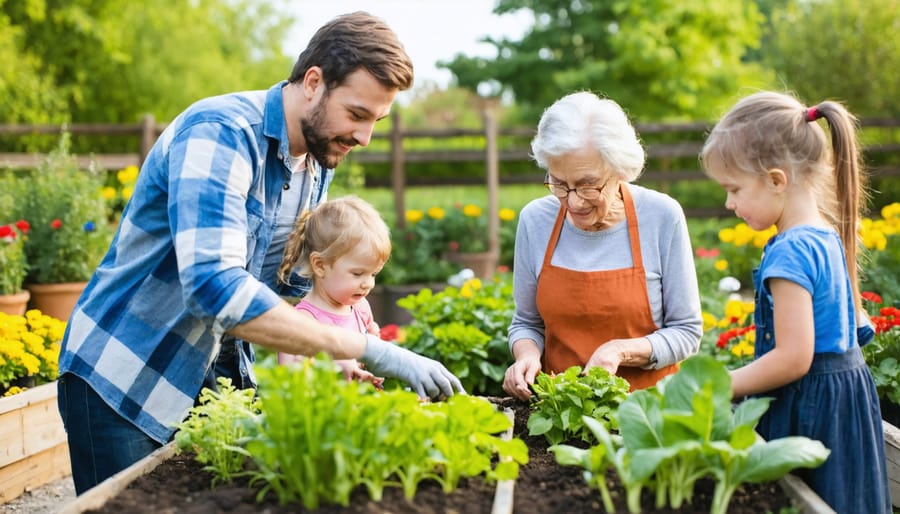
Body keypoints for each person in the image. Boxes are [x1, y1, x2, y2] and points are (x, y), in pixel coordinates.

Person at [56, 11, 463, 495]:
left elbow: (286, 292)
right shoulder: (220, 134)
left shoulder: (315, 162)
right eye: (356, 114)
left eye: (376, 120)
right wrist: (370, 350)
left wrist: (337, 352)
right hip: (127, 379)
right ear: (313, 82)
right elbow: (215, 289)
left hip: (216, 381)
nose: (364, 137)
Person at [700, 91, 891, 513]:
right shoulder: (824, 233)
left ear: (775, 179)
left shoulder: (790, 251)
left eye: (733, 189)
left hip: (811, 410)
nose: (729, 204)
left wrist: (721, 385)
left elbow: (793, 358)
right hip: (843, 403)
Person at [502, 91, 703, 399]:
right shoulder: (535, 221)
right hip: (562, 416)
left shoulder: (662, 217)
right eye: (558, 182)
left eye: (587, 185)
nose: (573, 201)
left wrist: (620, 351)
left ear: (619, 169)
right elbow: (527, 323)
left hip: (648, 418)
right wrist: (527, 355)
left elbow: (686, 332)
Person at [276, 196, 386, 388]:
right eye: (358, 273)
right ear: (320, 265)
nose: (368, 283)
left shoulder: (360, 308)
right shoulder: (302, 320)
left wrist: (374, 342)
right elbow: (289, 380)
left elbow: (366, 352)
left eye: (374, 274)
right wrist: (332, 365)